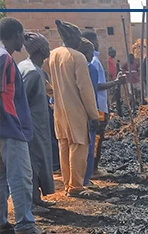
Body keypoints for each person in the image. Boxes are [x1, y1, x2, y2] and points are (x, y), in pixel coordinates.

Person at [47, 20, 100, 198]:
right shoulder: (77, 57)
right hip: (76, 109)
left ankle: (67, 184)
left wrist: (54, 95)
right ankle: (76, 186)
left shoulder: (52, 55)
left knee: (63, 145)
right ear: (75, 38)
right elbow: (85, 90)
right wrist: (94, 115)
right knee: (79, 146)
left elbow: (46, 82)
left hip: (59, 109)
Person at [0, 18, 39, 234]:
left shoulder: (0, 57)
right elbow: (2, 94)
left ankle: (1, 222)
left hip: (1, 129)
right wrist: (13, 124)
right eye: (21, 35)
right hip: (11, 129)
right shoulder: (5, 59)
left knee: (2, 179)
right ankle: (25, 225)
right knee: (21, 177)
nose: (22, 40)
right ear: (15, 34)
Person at [81, 30, 124, 187]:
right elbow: (96, 85)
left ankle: (94, 168)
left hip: (100, 104)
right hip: (97, 105)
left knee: (98, 138)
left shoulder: (94, 60)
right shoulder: (92, 61)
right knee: (96, 139)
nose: (98, 43)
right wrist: (116, 83)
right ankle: (92, 169)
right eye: (96, 41)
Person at [18, 32, 55, 215]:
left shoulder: (30, 68)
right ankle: (32, 203)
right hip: (32, 126)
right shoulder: (32, 72)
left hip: (38, 124)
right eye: (47, 46)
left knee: (38, 161)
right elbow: (21, 99)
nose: (49, 49)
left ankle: (37, 198)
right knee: (34, 162)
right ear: (41, 50)